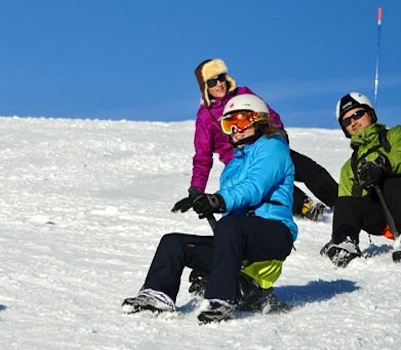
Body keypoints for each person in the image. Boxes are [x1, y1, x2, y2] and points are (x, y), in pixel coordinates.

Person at [124, 94, 297, 324]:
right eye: (229, 123)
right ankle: (157, 295)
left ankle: (222, 298)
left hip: (275, 232)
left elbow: (253, 187)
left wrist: (218, 200)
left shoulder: (273, 149)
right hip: (240, 237)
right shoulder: (234, 165)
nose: (235, 129)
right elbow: (232, 208)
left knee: (230, 225)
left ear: (259, 120)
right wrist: (205, 203)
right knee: (174, 243)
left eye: (241, 121)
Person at [175, 58, 337, 221]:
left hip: (266, 144)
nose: (219, 84)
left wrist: (277, 131)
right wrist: (196, 189)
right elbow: (202, 156)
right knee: (270, 181)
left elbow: (268, 114)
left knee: (308, 168)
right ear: (205, 87)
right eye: (212, 82)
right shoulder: (205, 117)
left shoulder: (243, 94)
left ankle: (339, 201)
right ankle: (305, 207)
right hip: (242, 161)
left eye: (221, 78)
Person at [320, 92, 401, 266]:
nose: (354, 122)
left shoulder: (393, 135)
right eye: (347, 121)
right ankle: (344, 242)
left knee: (392, 184)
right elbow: (349, 201)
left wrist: (383, 165)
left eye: (357, 114)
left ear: (370, 113)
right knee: (344, 202)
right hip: (380, 214)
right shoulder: (349, 167)